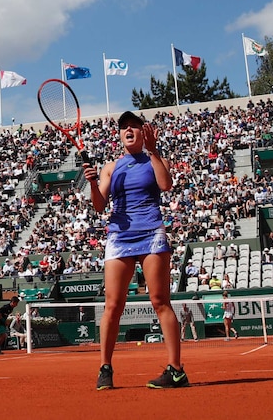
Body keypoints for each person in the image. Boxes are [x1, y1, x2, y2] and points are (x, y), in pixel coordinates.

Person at [84, 110, 188, 390]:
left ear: (144, 132)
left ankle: (176, 370)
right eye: (123, 127)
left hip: (151, 232)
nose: (128, 129)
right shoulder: (110, 167)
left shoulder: (156, 159)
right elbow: (99, 206)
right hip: (119, 236)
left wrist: (153, 151)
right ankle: (105, 368)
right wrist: (93, 183)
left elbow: (166, 184)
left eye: (134, 126)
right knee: (112, 306)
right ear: (119, 134)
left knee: (160, 301)